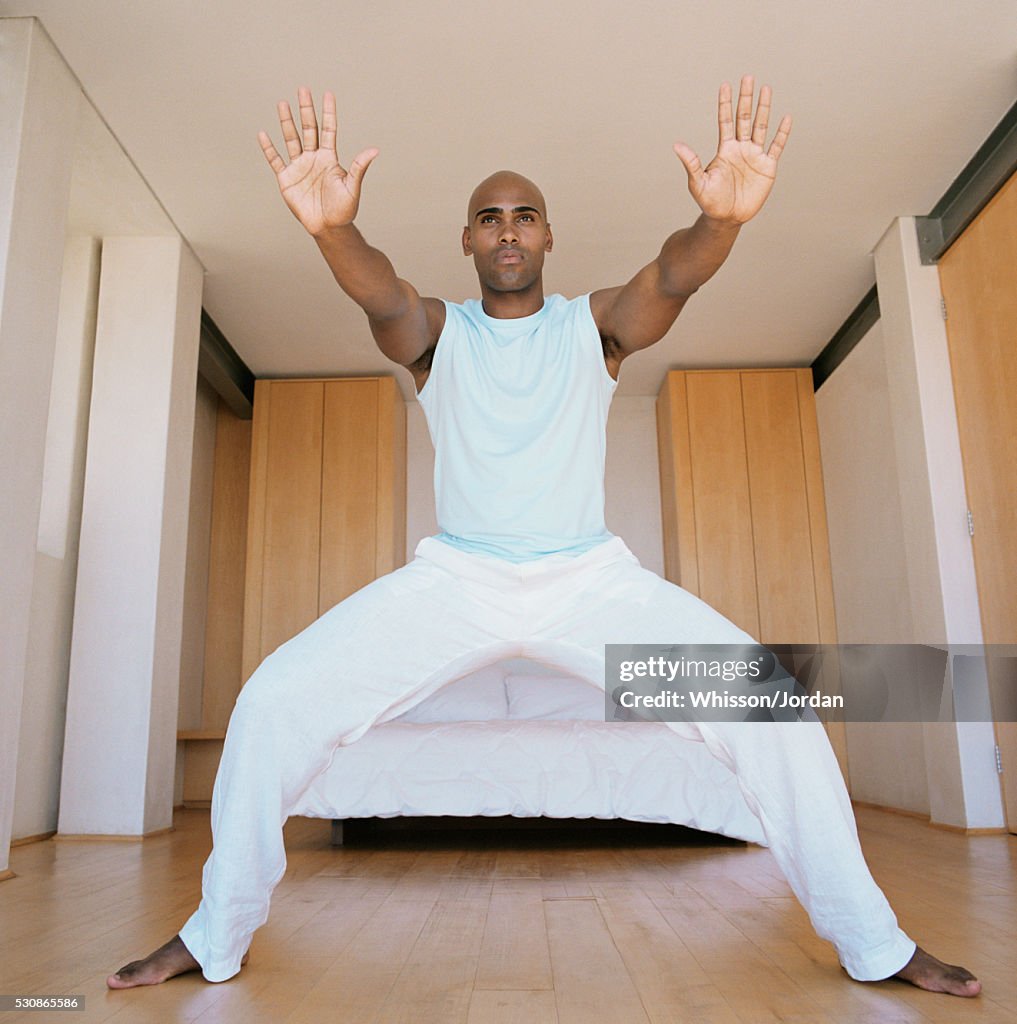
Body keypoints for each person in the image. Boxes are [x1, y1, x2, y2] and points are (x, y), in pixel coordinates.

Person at [107, 78, 981, 998]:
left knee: (774, 708)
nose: (508, 231)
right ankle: (214, 935)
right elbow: (381, 297)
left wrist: (721, 223)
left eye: (525, 216)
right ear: (468, 240)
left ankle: (875, 943)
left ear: (549, 236)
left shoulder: (591, 327)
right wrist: (331, 231)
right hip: (454, 582)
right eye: (489, 218)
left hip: (590, 585)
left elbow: (671, 275)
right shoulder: (436, 335)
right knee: (273, 703)